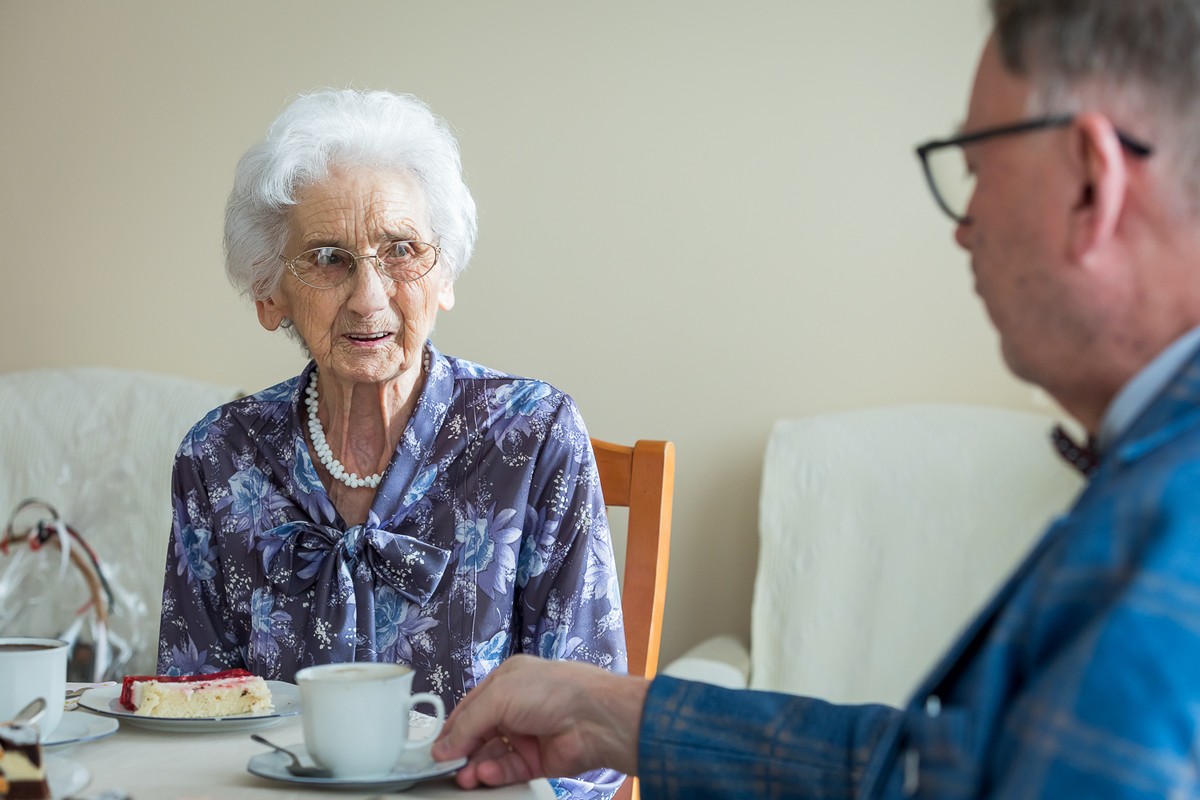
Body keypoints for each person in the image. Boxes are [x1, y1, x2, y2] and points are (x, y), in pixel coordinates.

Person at [432, 1, 1200, 796]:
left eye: (975, 170)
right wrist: (608, 714)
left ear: (1092, 185)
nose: (964, 227)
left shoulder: (1178, 521)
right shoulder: (1151, 469)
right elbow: (943, 773)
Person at [157, 89, 625, 798]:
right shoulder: (219, 456)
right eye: (328, 258)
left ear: (444, 275)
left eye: (401, 250)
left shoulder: (533, 436)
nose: (369, 296)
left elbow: (586, 749)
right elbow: (188, 713)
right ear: (269, 294)